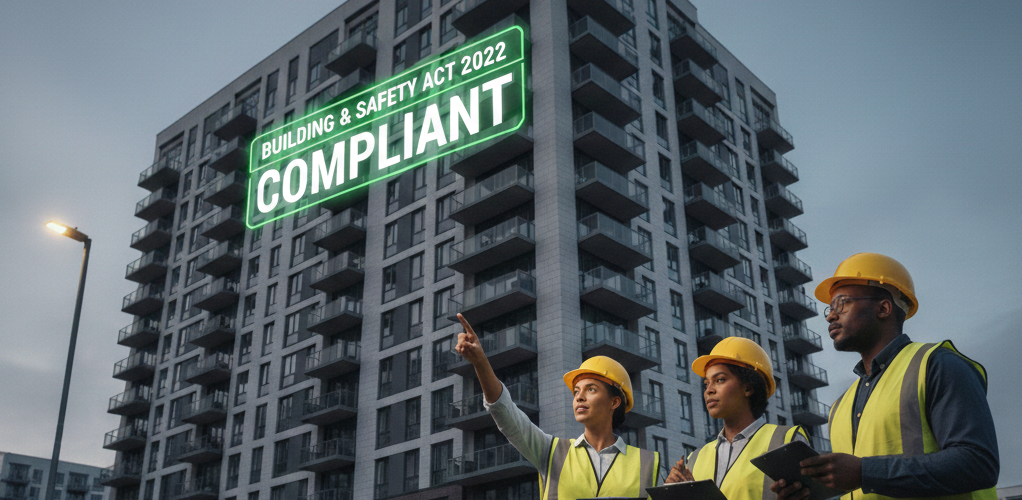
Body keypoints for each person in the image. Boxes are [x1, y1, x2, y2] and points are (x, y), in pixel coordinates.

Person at [772, 253, 999, 500]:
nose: (830, 315)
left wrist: (865, 472)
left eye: (842, 303)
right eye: (830, 307)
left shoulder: (936, 365)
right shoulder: (840, 406)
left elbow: (977, 463)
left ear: (883, 308)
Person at [453, 313, 660, 499]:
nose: (579, 397)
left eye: (591, 390)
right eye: (576, 391)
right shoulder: (551, 452)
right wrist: (480, 362)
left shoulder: (649, 465)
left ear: (615, 402)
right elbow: (504, 412)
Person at [665, 337, 808, 500]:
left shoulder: (786, 441)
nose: (708, 391)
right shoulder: (695, 459)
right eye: (706, 384)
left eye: (719, 380)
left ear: (748, 387)